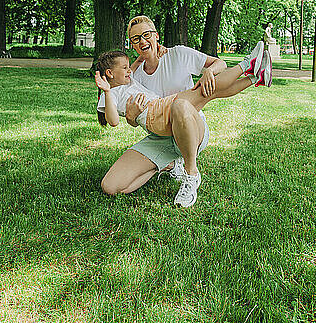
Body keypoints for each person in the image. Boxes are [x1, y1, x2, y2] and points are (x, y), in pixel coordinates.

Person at [97, 15, 268, 207]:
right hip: (160, 135)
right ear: (132, 44)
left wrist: (209, 72)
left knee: (189, 100)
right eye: (136, 39)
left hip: (191, 129)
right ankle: (255, 76)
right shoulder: (131, 75)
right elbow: (125, 117)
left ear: (157, 36)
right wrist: (131, 117)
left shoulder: (178, 54)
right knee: (110, 186)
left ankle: (191, 173)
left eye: (147, 35)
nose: (143, 41)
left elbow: (220, 63)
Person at [96, 47, 270, 134]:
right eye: (124, 68)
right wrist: (107, 92)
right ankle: (248, 64)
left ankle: (256, 77)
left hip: (161, 107)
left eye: (128, 67)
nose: (129, 70)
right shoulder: (111, 93)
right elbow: (112, 121)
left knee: (210, 91)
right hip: (155, 115)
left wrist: (153, 49)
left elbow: (137, 63)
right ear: (110, 73)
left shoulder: (128, 80)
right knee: (205, 89)